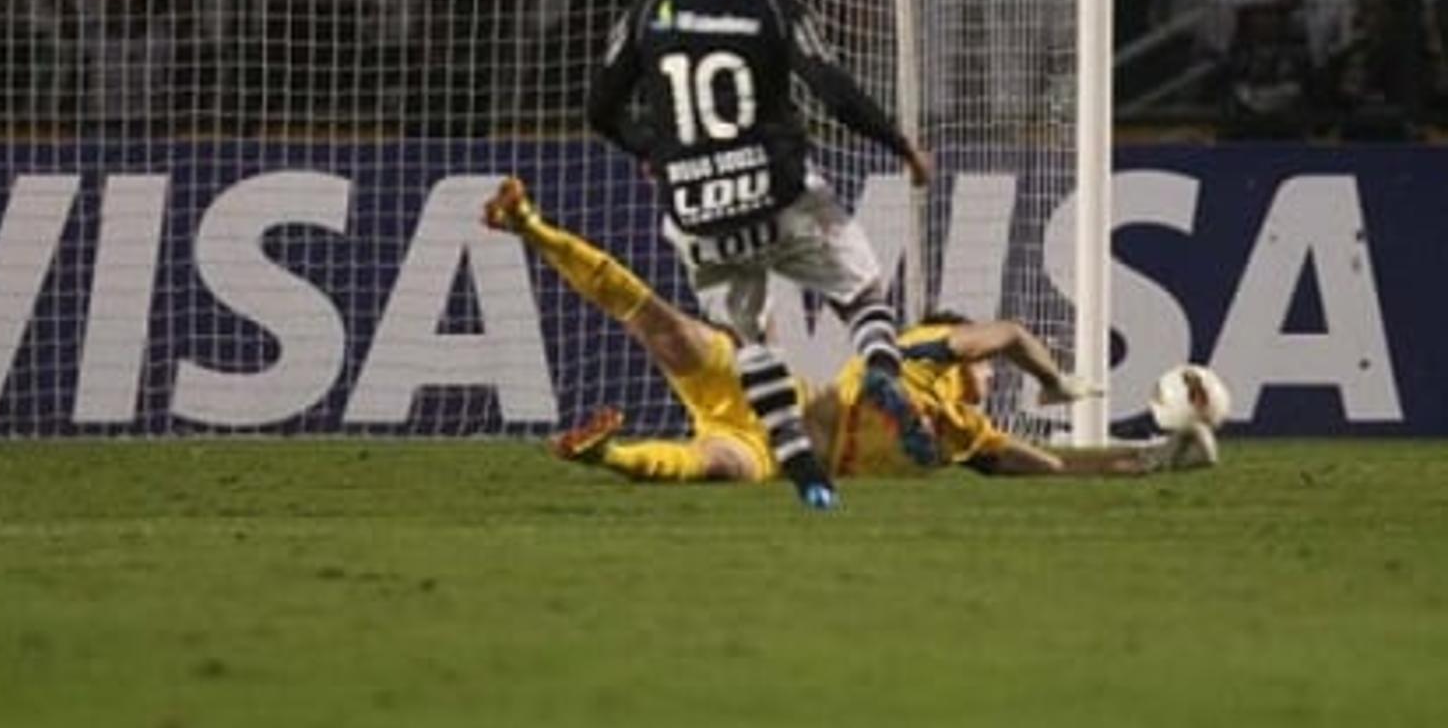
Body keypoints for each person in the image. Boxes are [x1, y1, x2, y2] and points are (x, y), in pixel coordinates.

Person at [481, 177, 1207, 487]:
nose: (992, 385)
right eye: (987, 376)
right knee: (663, 328)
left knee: (711, 468)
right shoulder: (924, 353)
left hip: (765, 446)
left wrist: (1150, 460)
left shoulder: (968, 439)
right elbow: (1008, 334)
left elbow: (1051, 470)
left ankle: (604, 452)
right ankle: (528, 222)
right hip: (775, 399)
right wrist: (1053, 382)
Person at [586, 0, 933, 490]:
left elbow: (600, 109)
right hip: (780, 196)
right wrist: (899, 145)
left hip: (698, 208)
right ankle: (881, 367)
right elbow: (831, 89)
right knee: (860, 292)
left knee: (745, 335)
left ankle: (799, 462)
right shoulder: (772, 6)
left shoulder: (650, 8)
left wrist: (655, 150)